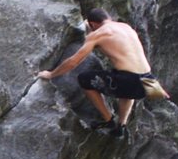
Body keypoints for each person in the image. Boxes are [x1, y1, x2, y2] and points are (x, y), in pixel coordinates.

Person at [36, 8, 169, 139]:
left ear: (93, 24)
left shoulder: (99, 34)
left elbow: (73, 62)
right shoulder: (125, 27)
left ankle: (108, 119)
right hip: (149, 81)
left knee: (85, 79)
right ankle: (121, 126)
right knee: (127, 92)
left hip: (129, 80)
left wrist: (51, 74)